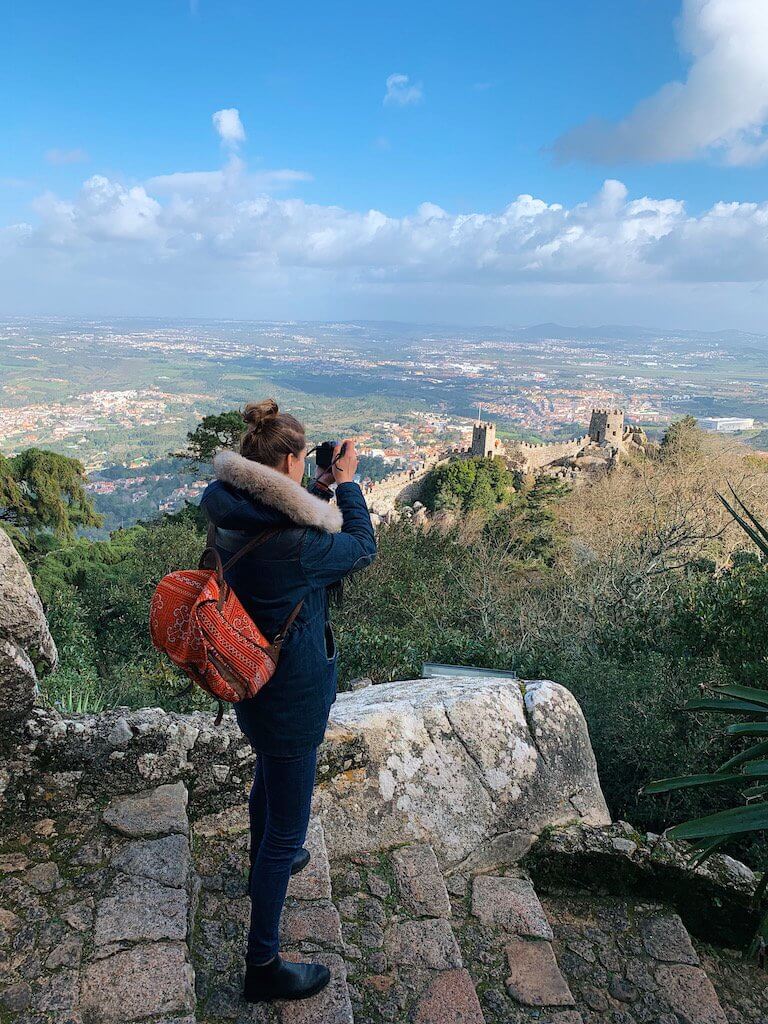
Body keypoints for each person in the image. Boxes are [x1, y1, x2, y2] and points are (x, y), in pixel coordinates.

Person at [199, 399, 376, 1003]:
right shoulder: (296, 544)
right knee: (286, 834)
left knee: (266, 781)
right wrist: (347, 488)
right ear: (291, 462)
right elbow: (360, 548)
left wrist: (315, 487)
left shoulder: (230, 508)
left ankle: (259, 867)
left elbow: (278, 517)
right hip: (291, 694)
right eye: (307, 465)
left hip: (251, 681)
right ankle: (263, 965)